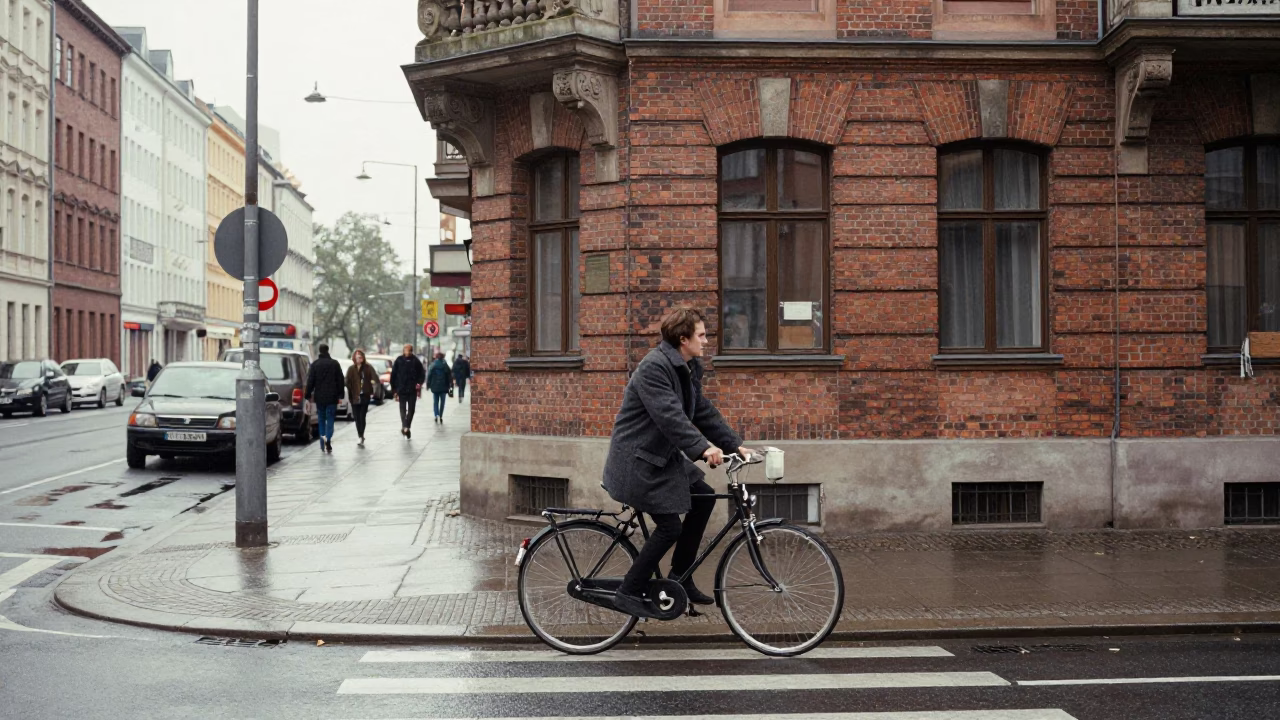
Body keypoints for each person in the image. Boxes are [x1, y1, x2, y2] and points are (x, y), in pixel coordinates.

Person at [602, 307, 754, 618]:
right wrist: (702, 449)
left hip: (658, 458)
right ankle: (628, 590)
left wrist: (733, 444)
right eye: (701, 335)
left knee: (705, 498)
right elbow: (670, 416)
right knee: (669, 527)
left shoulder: (687, 366)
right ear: (682, 338)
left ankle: (680, 577)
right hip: (637, 462)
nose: (706, 341)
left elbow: (700, 411)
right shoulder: (654, 369)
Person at [304, 343, 344, 453]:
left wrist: (307, 396)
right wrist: (341, 395)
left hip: (320, 397)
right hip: (332, 397)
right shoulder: (335, 364)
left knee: (321, 419)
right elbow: (340, 380)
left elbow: (310, 381)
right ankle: (328, 439)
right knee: (330, 419)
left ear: (320, 351)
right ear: (328, 350)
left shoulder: (315, 365)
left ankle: (322, 442)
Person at [390, 343, 425, 438]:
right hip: (401, 388)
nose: (407, 352)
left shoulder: (416, 361)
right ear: (403, 351)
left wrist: (419, 383)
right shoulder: (399, 360)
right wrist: (394, 389)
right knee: (402, 408)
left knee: (411, 409)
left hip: (412, 389)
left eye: (409, 350)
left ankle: (406, 427)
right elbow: (393, 375)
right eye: (406, 350)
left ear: (411, 351)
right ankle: (405, 427)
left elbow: (422, 373)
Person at [345, 349, 379, 447]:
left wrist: (372, 386)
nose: (358, 359)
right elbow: (347, 381)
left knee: (362, 416)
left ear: (363, 358)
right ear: (354, 358)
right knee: (356, 417)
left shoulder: (368, 368)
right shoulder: (351, 369)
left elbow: (375, 379)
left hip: (365, 396)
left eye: (360, 357)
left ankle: (361, 435)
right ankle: (360, 435)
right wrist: (350, 387)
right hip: (354, 396)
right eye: (356, 357)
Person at [426, 351, 453, 424]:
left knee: (435, 401)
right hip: (444, 386)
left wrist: (428, 385)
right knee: (442, 402)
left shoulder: (433, 364)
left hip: (435, 386)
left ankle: (436, 414)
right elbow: (449, 376)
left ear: (436, 357)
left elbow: (429, 375)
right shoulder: (445, 365)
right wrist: (451, 385)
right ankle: (441, 415)